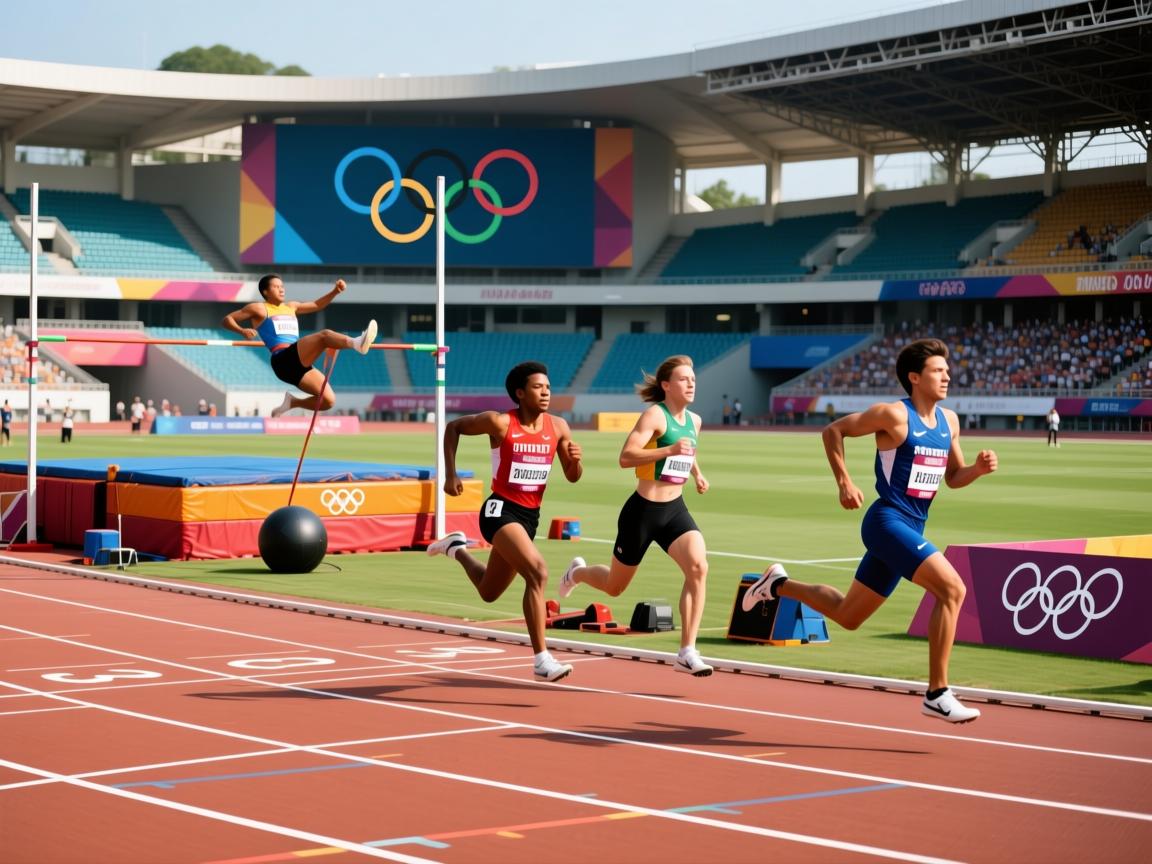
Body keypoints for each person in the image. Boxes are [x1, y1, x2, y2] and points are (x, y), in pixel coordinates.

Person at [743, 338, 997, 723]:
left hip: (912, 526)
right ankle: (937, 693)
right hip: (886, 522)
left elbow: (953, 477)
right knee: (952, 590)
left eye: (947, 370)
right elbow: (833, 431)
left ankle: (777, 585)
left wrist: (975, 470)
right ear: (914, 377)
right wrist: (844, 481)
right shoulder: (893, 415)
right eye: (938, 371)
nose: (947, 376)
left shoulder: (950, 422)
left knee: (848, 615)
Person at [426, 361, 584, 682]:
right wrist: (450, 474)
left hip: (529, 518)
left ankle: (455, 548)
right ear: (520, 393)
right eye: (538, 387)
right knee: (538, 572)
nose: (546, 393)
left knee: (489, 591)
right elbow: (453, 427)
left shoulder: (558, 427)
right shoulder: (498, 423)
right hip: (499, 510)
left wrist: (574, 461)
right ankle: (541, 660)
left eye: (548, 387)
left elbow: (573, 477)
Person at [558, 355, 713, 677]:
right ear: (666, 385)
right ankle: (578, 573)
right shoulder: (655, 415)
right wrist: (668, 451)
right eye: (684, 379)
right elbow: (626, 457)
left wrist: (697, 474)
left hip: (675, 510)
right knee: (614, 587)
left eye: (693, 379)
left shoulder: (695, 420)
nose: (691, 384)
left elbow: (688, 448)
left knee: (698, 568)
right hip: (642, 512)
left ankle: (687, 651)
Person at [222, 274, 377, 418]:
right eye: (276, 287)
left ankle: (293, 402)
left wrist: (335, 291)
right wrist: (242, 331)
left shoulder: (291, 306)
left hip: (298, 362)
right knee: (324, 336)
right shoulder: (258, 308)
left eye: (282, 286)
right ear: (265, 292)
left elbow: (316, 304)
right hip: (282, 359)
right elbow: (227, 319)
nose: (281, 289)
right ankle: (357, 343)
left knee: (328, 401)